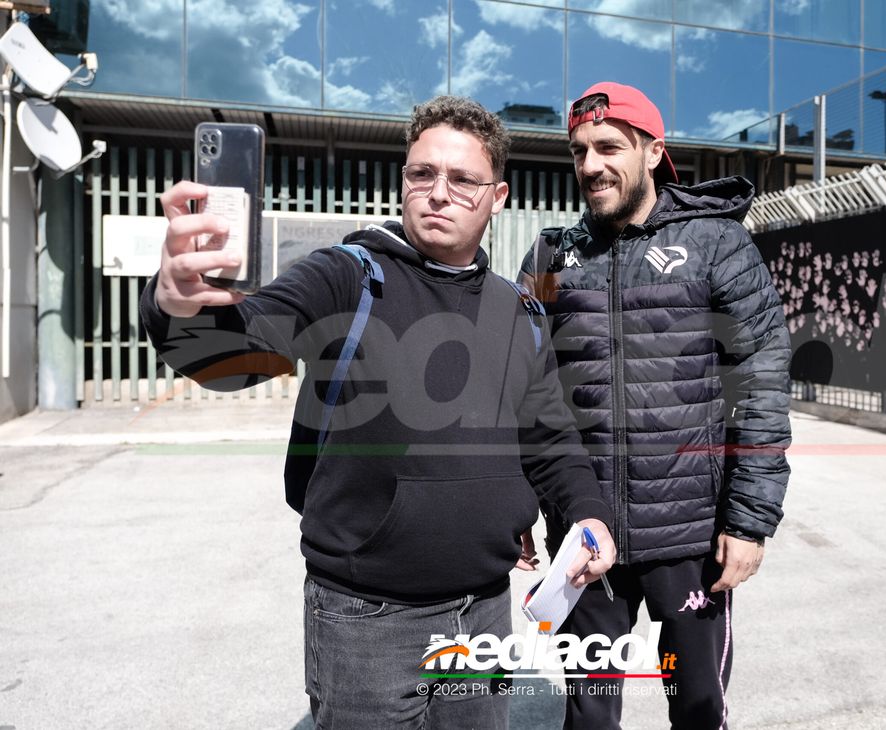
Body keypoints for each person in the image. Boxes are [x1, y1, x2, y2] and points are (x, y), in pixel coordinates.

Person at [140, 95, 616, 729]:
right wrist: (182, 306)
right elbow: (236, 352)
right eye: (422, 174)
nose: (438, 193)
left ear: (497, 196)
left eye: (463, 180)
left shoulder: (520, 313)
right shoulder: (347, 277)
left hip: (482, 612)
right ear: (404, 181)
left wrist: (587, 512)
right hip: (365, 621)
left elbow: (551, 438)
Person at [518, 81, 792, 729]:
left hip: (691, 538)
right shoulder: (554, 255)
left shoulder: (716, 244)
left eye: (608, 146)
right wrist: (516, 502)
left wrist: (749, 520)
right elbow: (524, 386)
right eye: (579, 150)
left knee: (698, 710)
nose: (590, 165)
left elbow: (761, 380)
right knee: (588, 715)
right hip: (584, 537)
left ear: (652, 152)